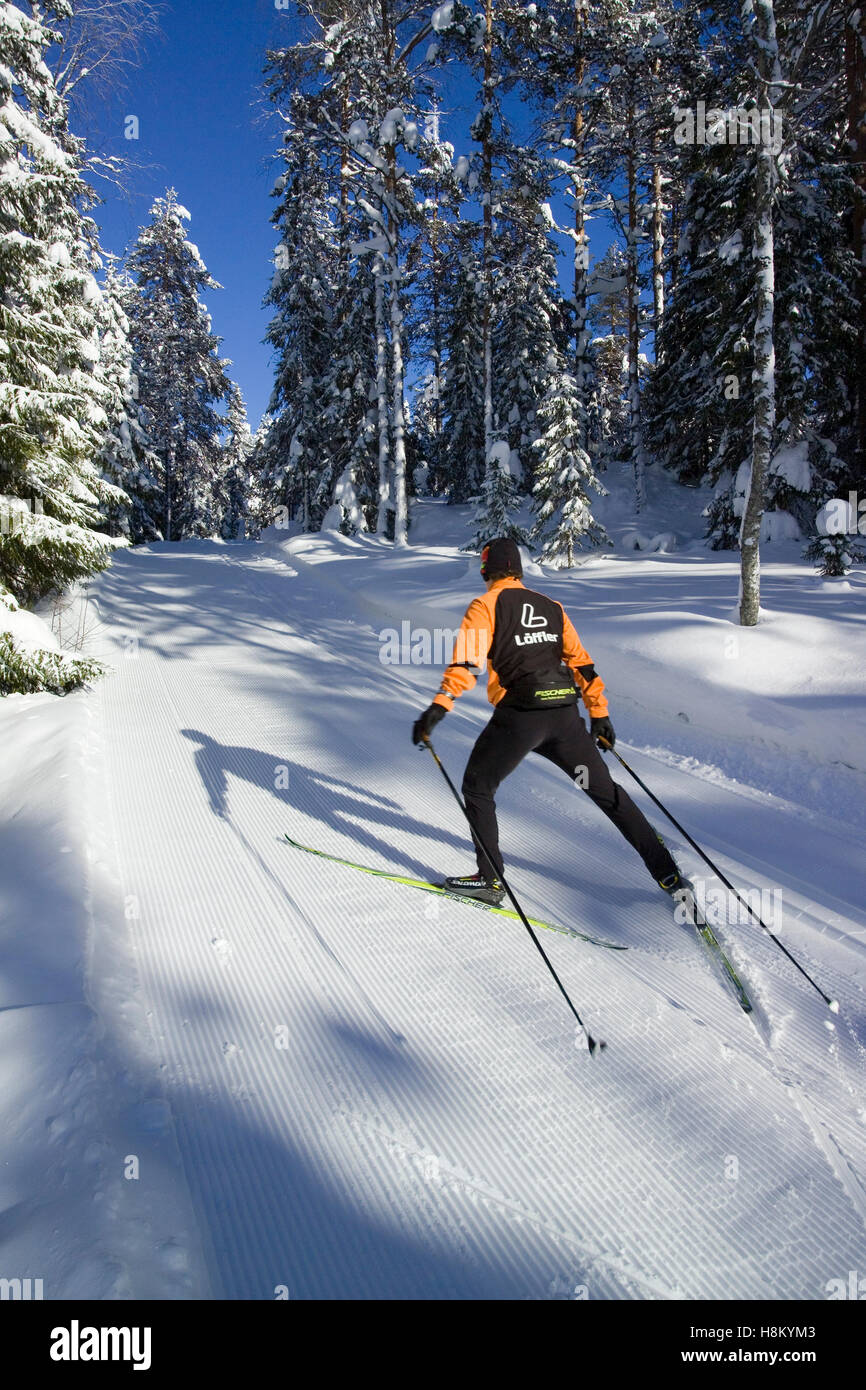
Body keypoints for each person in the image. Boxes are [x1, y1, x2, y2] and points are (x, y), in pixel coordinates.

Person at [411, 537, 690, 905]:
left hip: (521, 719)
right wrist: (599, 714)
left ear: (485, 569)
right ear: (519, 570)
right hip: (564, 721)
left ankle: (490, 882)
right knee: (608, 795)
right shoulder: (552, 607)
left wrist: (439, 707)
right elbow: (582, 664)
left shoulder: (485, 605)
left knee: (478, 786)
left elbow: (467, 663)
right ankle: (668, 874)